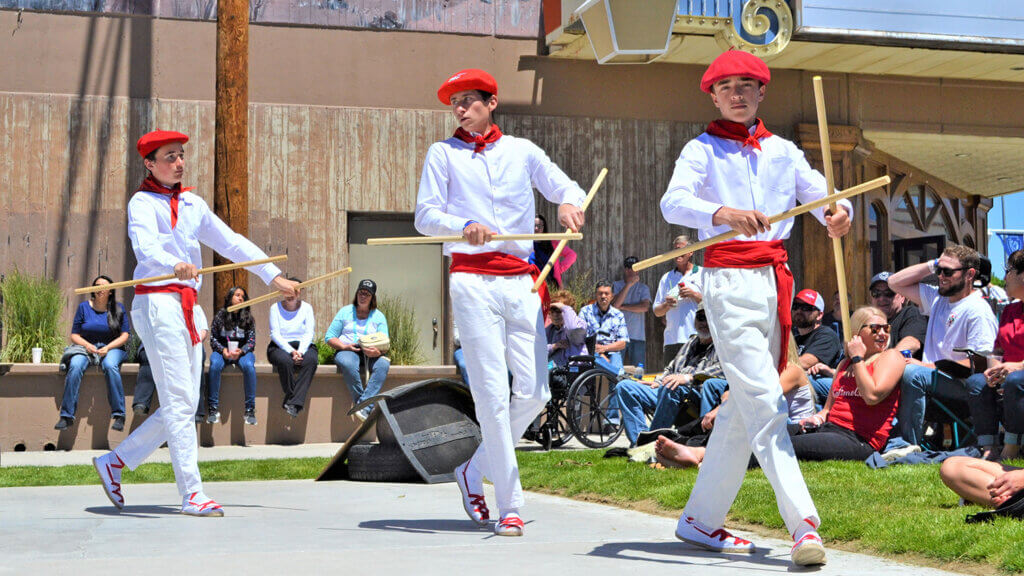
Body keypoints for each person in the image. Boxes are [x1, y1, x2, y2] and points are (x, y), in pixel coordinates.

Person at [659, 50, 853, 565]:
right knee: (766, 400)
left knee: (744, 411)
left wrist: (840, 213)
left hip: (774, 281)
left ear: (761, 92)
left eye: (747, 85)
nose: (737, 94)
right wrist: (720, 212)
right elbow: (672, 203)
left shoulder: (785, 151)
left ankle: (700, 520)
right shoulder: (700, 150)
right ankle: (803, 524)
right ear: (713, 95)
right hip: (725, 279)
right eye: (727, 87)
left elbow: (826, 196)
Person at [91, 130, 299, 517]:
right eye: (170, 156)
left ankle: (115, 463)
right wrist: (173, 264)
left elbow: (232, 242)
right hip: (157, 303)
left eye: (182, 155)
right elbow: (145, 246)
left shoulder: (191, 203)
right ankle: (192, 494)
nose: (179, 162)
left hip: (187, 306)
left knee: (183, 404)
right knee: (181, 402)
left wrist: (274, 277)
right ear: (150, 163)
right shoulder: (141, 202)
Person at [415, 68, 586, 537]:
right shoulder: (442, 154)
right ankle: (509, 504)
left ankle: (473, 469)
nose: (460, 107)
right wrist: (463, 223)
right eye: (454, 101)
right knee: (492, 393)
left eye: (468, 99)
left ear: (492, 103)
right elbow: (425, 216)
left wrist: (570, 203)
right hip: (471, 280)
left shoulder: (523, 151)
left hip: (521, 281)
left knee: (534, 391)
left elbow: (562, 186)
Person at [887, 245, 998, 447]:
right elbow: (893, 282)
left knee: (912, 373)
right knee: (892, 366)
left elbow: (981, 364)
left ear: (970, 274)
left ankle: (905, 445)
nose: (940, 276)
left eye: (947, 271)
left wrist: (928, 367)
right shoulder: (938, 298)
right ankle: (876, 436)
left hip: (965, 390)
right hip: (933, 383)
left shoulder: (978, 310)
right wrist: (933, 263)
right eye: (939, 270)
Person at [654, 339, 822, 465]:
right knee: (730, 415)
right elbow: (738, 393)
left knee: (746, 415)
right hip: (776, 427)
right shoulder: (768, 372)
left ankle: (695, 450)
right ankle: (679, 440)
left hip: (797, 429)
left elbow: (761, 397)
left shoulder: (792, 370)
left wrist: (722, 407)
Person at [788, 306, 903, 461]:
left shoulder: (891, 357)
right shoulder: (844, 364)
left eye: (886, 328)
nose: (882, 333)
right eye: (875, 329)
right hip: (829, 429)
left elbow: (872, 396)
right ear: (856, 332)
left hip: (858, 439)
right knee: (772, 433)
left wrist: (857, 359)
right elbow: (828, 409)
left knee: (785, 445)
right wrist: (816, 419)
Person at [615, 304, 725, 445]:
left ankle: (652, 444)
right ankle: (638, 442)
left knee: (672, 386)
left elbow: (722, 369)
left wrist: (687, 378)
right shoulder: (691, 342)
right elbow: (671, 367)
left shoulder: (722, 344)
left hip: (696, 394)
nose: (704, 323)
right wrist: (658, 381)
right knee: (625, 387)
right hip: (669, 390)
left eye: (708, 318)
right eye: (700, 318)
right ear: (695, 320)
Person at [965, 249, 1024, 460]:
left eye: (1008, 270)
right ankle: (988, 447)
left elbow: (1015, 370)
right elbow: (998, 350)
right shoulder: (1009, 311)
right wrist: (993, 368)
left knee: (1015, 380)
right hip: (1010, 377)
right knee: (976, 382)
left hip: (1018, 378)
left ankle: (1012, 447)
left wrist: (1016, 367)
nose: (1005, 277)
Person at [57, 275, 131, 431]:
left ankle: (119, 415)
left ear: (110, 291)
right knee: (76, 365)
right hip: (86, 348)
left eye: (103, 286)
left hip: (112, 348)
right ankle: (66, 416)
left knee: (110, 365)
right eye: (96, 286)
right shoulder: (84, 307)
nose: (100, 289)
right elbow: (74, 335)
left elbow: (125, 335)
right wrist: (88, 345)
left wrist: (109, 347)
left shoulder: (118, 308)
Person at [326, 278, 391, 422]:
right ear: (356, 294)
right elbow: (330, 337)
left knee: (383, 365)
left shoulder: (379, 316)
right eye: (361, 292)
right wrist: (344, 346)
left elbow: (385, 342)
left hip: (371, 353)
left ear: (372, 298)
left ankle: (363, 407)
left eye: (367, 294)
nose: (363, 296)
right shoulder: (345, 312)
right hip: (348, 349)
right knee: (348, 364)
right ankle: (364, 405)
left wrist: (378, 352)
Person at [206, 286, 259, 426]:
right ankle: (213, 409)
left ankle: (250, 410)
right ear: (230, 298)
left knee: (249, 366)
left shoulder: (248, 318)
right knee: (215, 365)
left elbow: (251, 341)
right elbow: (213, 338)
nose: (240, 298)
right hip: (222, 352)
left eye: (243, 296)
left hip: (242, 353)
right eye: (237, 295)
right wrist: (223, 350)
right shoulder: (220, 316)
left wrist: (241, 351)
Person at [268, 279, 318, 417]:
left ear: (299, 291)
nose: (290, 294)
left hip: (303, 345)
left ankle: (292, 403)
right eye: (286, 290)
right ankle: (294, 399)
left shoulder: (307, 308)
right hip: (280, 346)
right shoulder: (275, 308)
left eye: (294, 291)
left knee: (311, 360)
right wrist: (291, 351)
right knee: (285, 361)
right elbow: (275, 334)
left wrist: (300, 351)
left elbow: (309, 333)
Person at [653, 235, 703, 361]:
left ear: (691, 251)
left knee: (693, 378)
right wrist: (666, 305)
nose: (678, 253)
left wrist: (694, 295)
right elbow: (657, 311)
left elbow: (713, 305)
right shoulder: (667, 278)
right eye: (675, 250)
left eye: (681, 249)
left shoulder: (702, 273)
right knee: (669, 379)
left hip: (696, 337)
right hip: (672, 340)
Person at [792, 289, 843, 407]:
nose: (799, 310)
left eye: (806, 308)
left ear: (819, 315)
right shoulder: (794, 336)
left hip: (821, 397)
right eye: (796, 306)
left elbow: (804, 363)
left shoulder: (826, 335)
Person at [868, 271, 927, 360]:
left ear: (902, 297)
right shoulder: (868, 320)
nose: (881, 298)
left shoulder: (910, 313)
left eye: (889, 293)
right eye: (876, 293)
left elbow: (912, 343)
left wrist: (887, 361)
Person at [580, 281, 629, 376]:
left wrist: (604, 348)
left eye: (606, 293)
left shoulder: (618, 315)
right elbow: (581, 338)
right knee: (614, 373)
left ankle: (617, 378)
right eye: (600, 293)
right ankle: (620, 374)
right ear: (596, 295)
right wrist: (601, 355)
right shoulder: (585, 312)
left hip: (612, 352)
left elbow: (622, 343)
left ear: (612, 296)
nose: (603, 296)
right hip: (592, 353)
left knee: (615, 378)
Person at [612, 256, 652, 367]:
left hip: (637, 336)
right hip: (618, 337)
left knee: (638, 372)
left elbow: (644, 307)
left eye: (634, 268)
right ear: (624, 269)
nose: (630, 271)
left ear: (638, 269)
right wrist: (629, 284)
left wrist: (623, 307)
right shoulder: (617, 285)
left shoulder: (643, 288)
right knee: (615, 371)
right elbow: (615, 305)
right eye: (628, 268)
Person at [529, 214, 577, 288]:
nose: (536, 228)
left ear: (544, 228)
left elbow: (572, 255)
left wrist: (559, 269)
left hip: (550, 285)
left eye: (539, 226)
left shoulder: (552, 243)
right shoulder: (526, 244)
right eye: (534, 225)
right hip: (531, 283)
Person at [546, 289, 587, 367]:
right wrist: (554, 346)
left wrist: (564, 308)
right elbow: (538, 350)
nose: (554, 314)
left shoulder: (579, 324)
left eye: (559, 310)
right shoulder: (549, 330)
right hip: (555, 370)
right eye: (552, 310)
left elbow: (573, 329)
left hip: (574, 369)